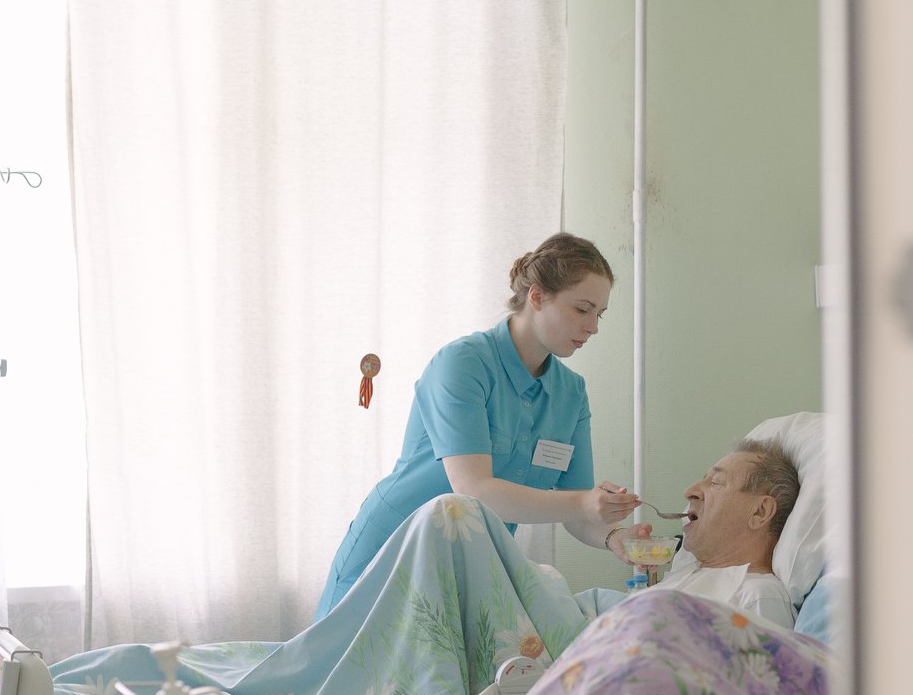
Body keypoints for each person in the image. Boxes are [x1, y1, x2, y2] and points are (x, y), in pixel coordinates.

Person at [314, 233, 646, 618]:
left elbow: (575, 509)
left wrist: (612, 535)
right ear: (537, 297)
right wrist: (584, 503)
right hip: (389, 553)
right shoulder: (463, 364)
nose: (593, 327)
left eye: (599, 314)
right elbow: (473, 490)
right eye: (582, 309)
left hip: (467, 569)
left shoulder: (571, 394)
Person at [617, 436, 801, 631]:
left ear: (760, 512)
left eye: (715, 482)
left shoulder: (758, 597)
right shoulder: (683, 576)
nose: (689, 492)